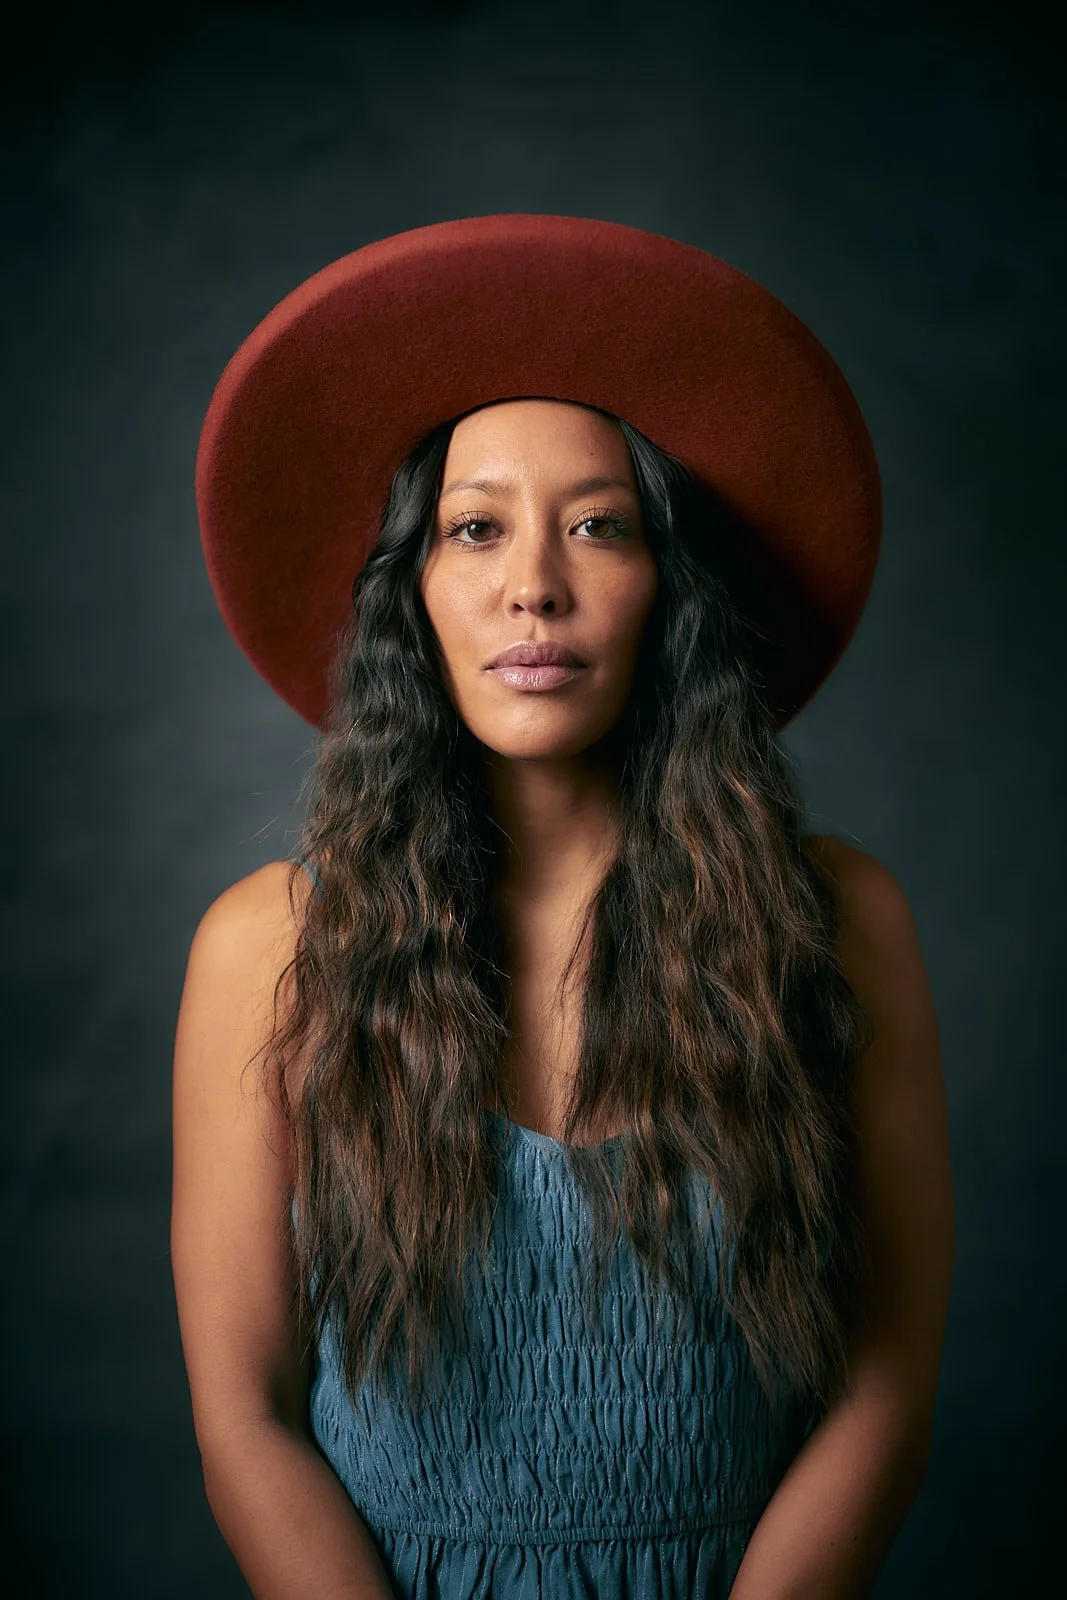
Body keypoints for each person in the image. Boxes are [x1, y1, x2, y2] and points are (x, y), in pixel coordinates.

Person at [171, 215, 954, 1599]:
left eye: (598, 526)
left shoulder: (835, 919)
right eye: (474, 530)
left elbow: (884, 1376)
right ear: (413, 596)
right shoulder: (266, 949)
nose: (534, 584)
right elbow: (247, 1415)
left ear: (669, 590)